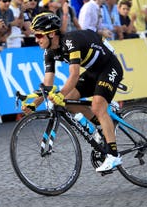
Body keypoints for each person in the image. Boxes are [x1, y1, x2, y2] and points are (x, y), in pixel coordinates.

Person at [25, 12, 124, 172]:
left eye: (38, 35)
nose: (36, 39)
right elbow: (47, 83)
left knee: (97, 106)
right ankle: (101, 126)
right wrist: (33, 105)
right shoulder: (48, 52)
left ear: (51, 33)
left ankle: (113, 156)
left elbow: (74, 74)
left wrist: (60, 94)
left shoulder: (70, 41)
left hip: (109, 67)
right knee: (67, 102)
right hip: (93, 71)